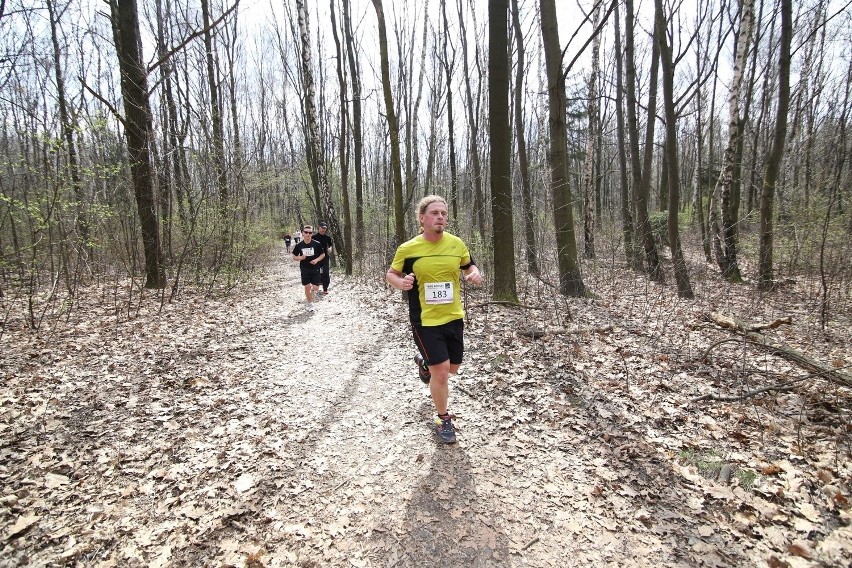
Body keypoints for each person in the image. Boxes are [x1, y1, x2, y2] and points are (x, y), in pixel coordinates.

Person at [386, 195, 483, 444]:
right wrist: (402, 282)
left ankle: (423, 361)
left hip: (453, 317)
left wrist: (474, 274)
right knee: (441, 374)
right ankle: (443, 419)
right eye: (435, 213)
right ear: (422, 218)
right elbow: (391, 274)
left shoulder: (456, 244)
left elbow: (470, 266)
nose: (441, 217)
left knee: (452, 368)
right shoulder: (408, 249)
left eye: (444, 213)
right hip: (425, 320)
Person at [292, 225, 325, 311]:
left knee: (315, 288)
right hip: (304, 268)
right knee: (307, 287)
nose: (308, 234)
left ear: (312, 234)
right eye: (306, 232)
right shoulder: (299, 245)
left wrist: (316, 260)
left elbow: (323, 254)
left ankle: (312, 293)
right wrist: (300, 258)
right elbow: (294, 257)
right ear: (302, 233)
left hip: (315, 268)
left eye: (310, 233)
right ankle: (310, 303)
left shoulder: (317, 244)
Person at [312, 222, 334, 294]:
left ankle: (325, 288)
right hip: (316, 257)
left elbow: (330, 245)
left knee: (325, 272)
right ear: (319, 228)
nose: (323, 230)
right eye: (322, 228)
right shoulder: (314, 237)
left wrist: (330, 249)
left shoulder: (328, 238)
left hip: (325, 257)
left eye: (325, 228)